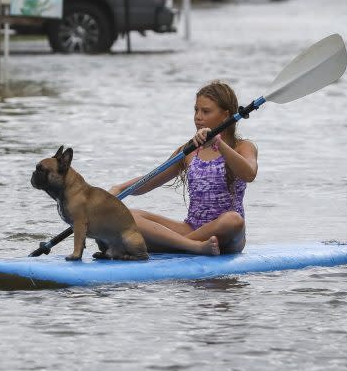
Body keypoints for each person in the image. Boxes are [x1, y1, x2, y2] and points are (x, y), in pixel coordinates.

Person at [109, 81, 257, 256]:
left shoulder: (242, 146)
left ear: (225, 115)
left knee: (233, 219)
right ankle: (191, 246)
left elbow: (249, 173)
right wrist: (119, 189)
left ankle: (171, 245)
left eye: (206, 111)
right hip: (192, 228)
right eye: (196, 110)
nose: (198, 117)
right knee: (128, 215)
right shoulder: (189, 150)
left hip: (228, 234)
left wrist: (218, 144)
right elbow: (152, 179)